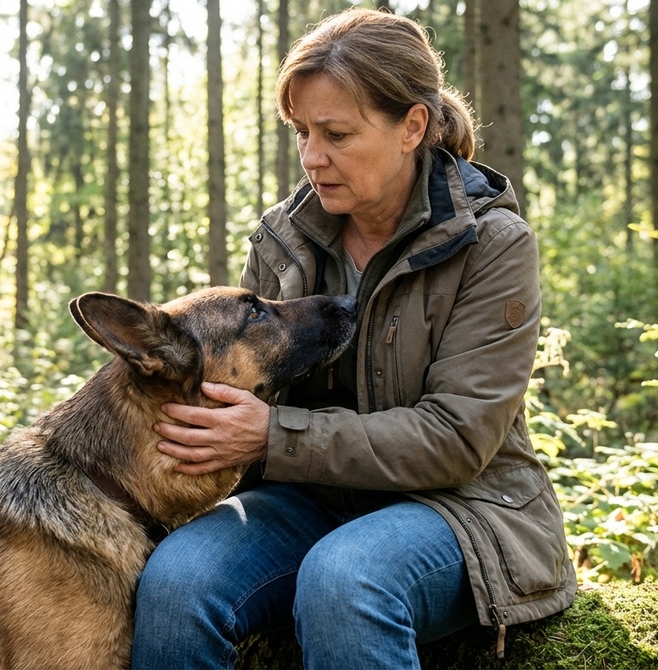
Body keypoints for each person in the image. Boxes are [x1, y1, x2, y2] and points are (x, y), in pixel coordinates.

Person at [131, 7, 576, 669]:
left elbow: (458, 440)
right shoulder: (285, 237)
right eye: (304, 132)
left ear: (411, 128)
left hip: (463, 511)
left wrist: (273, 436)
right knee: (175, 581)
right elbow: (233, 391)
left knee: (345, 581)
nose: (313, 157)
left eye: (336, 133)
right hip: (307, 499)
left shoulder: (492, 243)